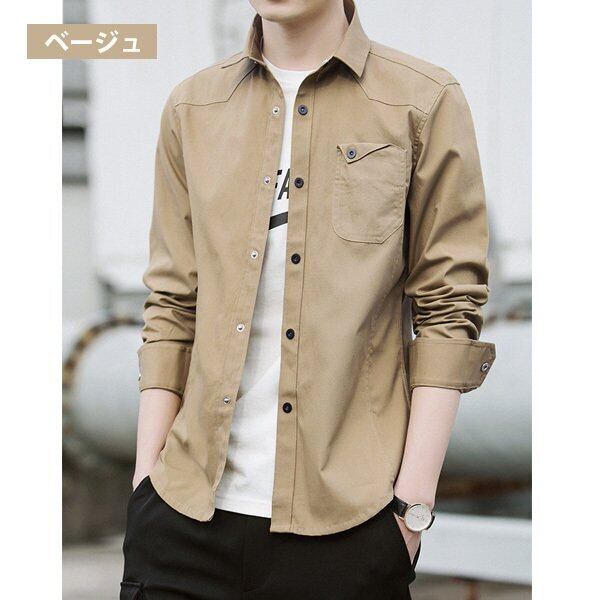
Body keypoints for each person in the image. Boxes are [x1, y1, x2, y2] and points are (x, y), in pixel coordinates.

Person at [120, 0, 496, 598]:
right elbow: (172, 305)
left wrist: (410, 512)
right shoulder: (193, 107)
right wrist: (146, 485)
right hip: (182, 519)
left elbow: (448, 311)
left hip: (349, 528)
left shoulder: (422, 101)